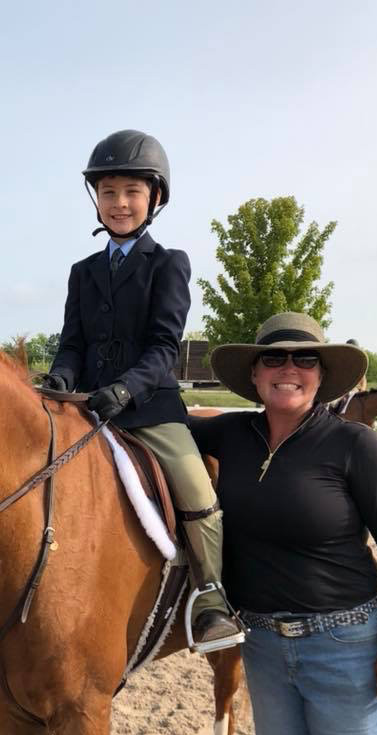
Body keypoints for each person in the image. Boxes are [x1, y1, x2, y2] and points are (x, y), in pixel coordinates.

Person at [189, 312, 377, 735]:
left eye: (305, 358)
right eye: (274, 358)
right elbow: (163, 420)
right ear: (255, 373)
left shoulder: (356, 446)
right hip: (263, 647)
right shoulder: (232, 433)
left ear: (322, 375)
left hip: (344, 647)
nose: (289, 369)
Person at [43, 129, 242, 650]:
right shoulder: (82, 272)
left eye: (131, 192)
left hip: (148, 409)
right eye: (109, 193)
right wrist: (63, 376)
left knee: (197, 491)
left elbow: (162, 347)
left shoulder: (169, 263)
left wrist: (125, 391)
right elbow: (72, 342)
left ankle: (213, 599)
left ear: (153, 198)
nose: (119, 203)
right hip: (86, 408)